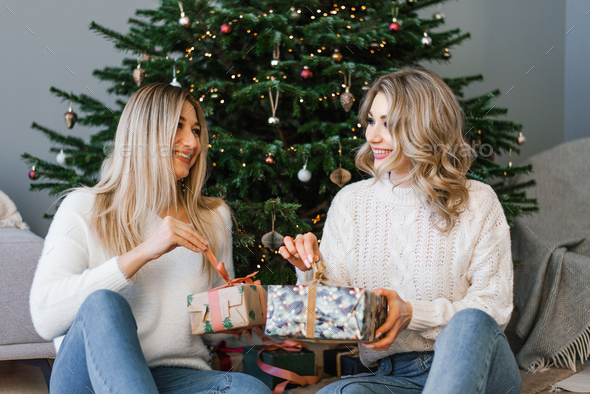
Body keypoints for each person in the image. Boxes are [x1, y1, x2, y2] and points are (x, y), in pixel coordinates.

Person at [279, 67, 522, 394]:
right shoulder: (351, 202)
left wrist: (412, 313)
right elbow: (338, 321)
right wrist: (310, 273)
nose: (372, 136)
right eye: (371, 121)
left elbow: (495, 308)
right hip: (393, 375)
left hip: (477, 364)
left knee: (470, 322)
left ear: (425, 129)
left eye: (388, 124)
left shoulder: (477, 201)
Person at [29, 82, 271, 394]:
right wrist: (144, 252)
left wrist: (248, 311)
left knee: (249, 389)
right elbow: (46, 317)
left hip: (178, 376)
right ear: (143, 134)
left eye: (196, 130)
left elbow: (210, 333)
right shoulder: (84, 207)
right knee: (103, 303)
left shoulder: (212, 218)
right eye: (179, 127)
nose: (192, 142)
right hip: (89, 374)